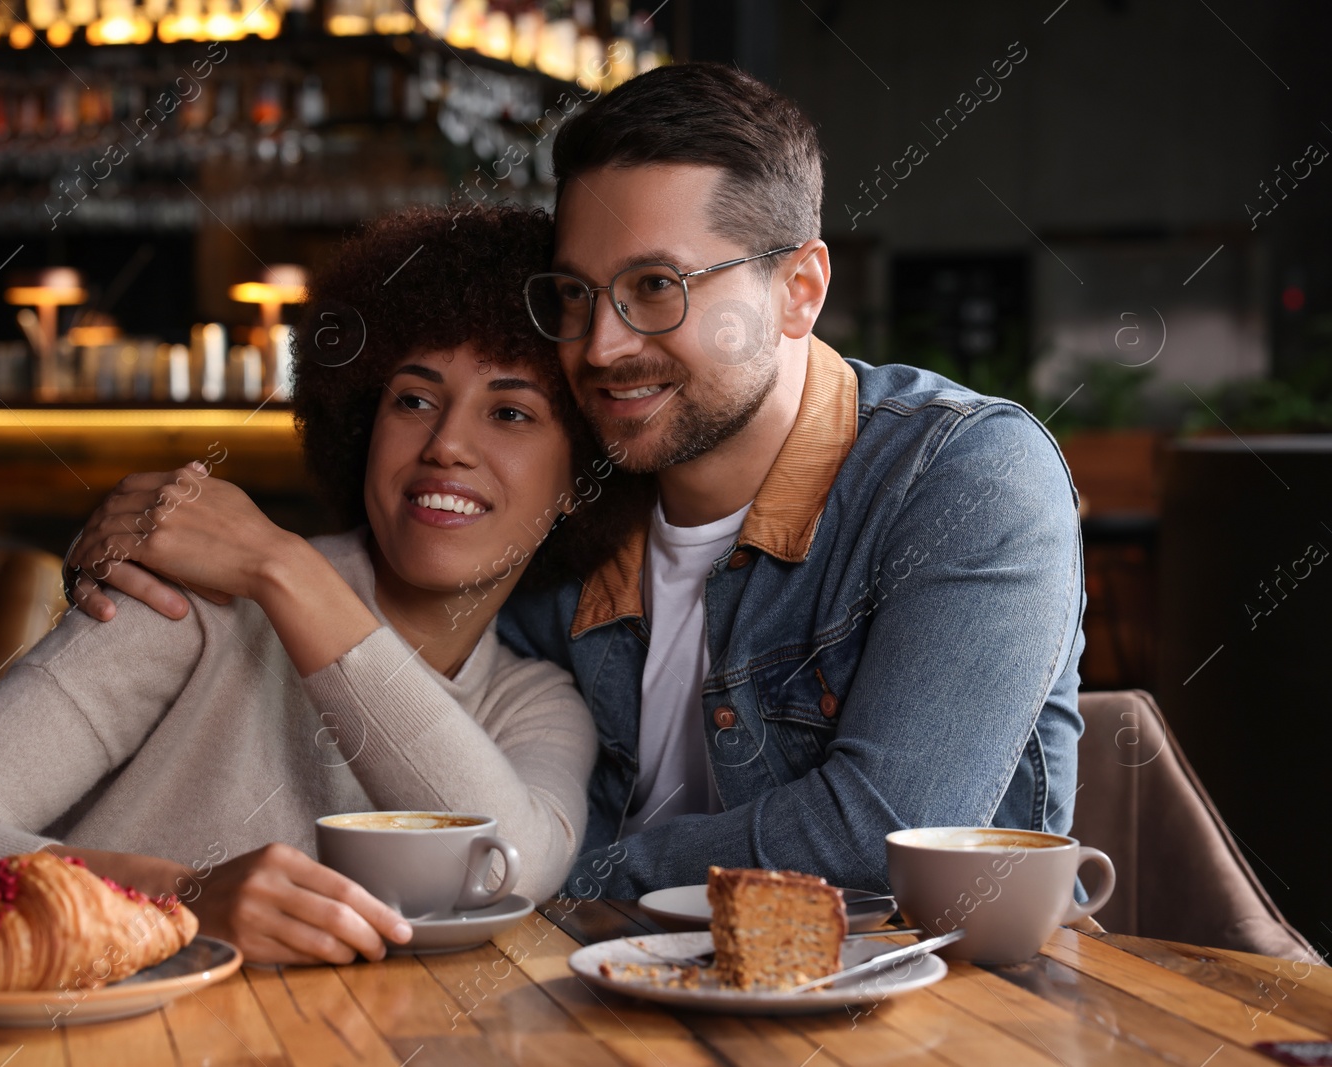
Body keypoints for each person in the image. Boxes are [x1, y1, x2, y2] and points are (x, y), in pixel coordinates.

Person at [78, 63, 1087, 903]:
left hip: (916, 1017)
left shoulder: (963, 477)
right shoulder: (566, 510)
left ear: (798, 292)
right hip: (575, 999)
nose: (601, 345)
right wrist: (160, 531)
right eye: (575, 293)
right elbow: (409, 696)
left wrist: (545, 874)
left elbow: (882, 839)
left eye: (656, 288)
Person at [0, 204, 632, 964]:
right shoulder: (194, 605)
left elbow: (505, 870)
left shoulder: (534, 703)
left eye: (512, 413)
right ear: (361, 426)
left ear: (579, 479)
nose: (448, 444)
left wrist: (283, 568)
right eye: (414, 398)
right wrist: (178, 898)